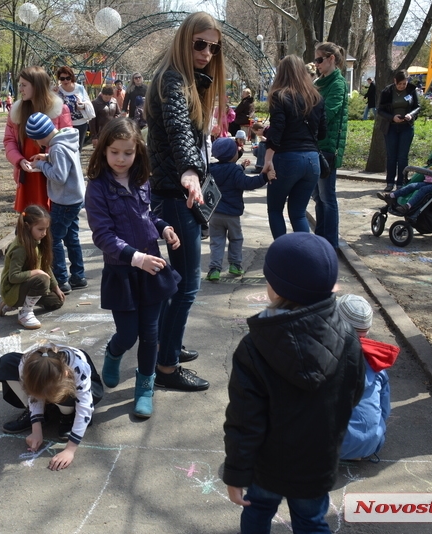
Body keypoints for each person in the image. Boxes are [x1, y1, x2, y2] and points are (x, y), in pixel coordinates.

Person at [222, 233, 365, 534]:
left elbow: (245, 420)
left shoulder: (254, 346)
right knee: (311, 522)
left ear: (274, 288)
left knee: (257, 511)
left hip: (267, 467)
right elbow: (353, 393)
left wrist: (236, 473)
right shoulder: (349, 337)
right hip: (318, 461)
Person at [146, 11, 226, 392]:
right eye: (200, 44)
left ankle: (168, 345)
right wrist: (191, 171)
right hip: (178, 196)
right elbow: (179, 130)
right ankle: (167, 367)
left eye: (213, 46)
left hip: (175, 194)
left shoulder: (189, 79)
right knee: (187, 285)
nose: (207, 52)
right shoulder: (173, 79)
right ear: (184, 41)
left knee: (178, 283)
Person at [85, 118, 182, 417]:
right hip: (123, 272)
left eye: (127, 153)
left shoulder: (141, 180)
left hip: (151, 269)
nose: (121, 159)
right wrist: (136, 257)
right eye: (114, 152)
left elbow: (147, 216)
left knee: (150, 334)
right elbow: (103, 235)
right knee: (128, 333)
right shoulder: (98, 188)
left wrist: (164, 228)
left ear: (138, 152)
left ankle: (145, 387)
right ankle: (114, 354)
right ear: (103, 151)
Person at [0, 341, 104, 470]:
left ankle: (67, 414)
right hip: (48, 376)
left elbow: (85, 407)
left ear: (65, 375)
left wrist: (70, 450)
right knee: (7, 362)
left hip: (81, 385)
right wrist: (36, 430)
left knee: (61, 392)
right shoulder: (26, 366)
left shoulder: (77, 367)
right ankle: (40, 414)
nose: (44, 399)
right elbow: (33, 395)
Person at [263, 54, 326, 239]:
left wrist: (268, 160)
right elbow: (322, 132)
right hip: (312, 161)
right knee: (298, 213)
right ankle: (303, 255)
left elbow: (277, 131)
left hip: (287, 159)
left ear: (281, 73)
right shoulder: (316, 98)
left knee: (275, 210)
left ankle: (282, 254)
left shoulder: (279, 96)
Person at [23, 112, 87, 295]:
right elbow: (64, 164)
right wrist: (46, 157)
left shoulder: (57, 148)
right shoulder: (66, 139)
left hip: (64, 201)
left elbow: (59, 176)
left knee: (53, 239)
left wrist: (42, 166)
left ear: (41, 136)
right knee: (71, 238)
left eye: (37, 140)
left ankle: (61, 279)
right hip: (74, 198)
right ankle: (78, 276)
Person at [336, 294, 399, 461]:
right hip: (370, 443)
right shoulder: (376, 364)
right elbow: (384, 410)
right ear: (368, 329)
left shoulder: (322, 354)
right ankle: (354, 449)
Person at [3, 66, 72, 213]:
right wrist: (19, 161)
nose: (20, 89)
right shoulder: (16, 111)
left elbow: (68, 144)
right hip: (27, 174)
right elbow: (9, 141)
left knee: (51, 224)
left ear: (37, 86)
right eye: (19, 85)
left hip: (50, 173)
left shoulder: (60, 110)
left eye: (24, 85)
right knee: (28, 222)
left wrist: (47, 158)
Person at [206, 137, 266, 281]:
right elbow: (247, 183)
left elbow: (225, 174)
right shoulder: (235, 170)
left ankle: (214, 268)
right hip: (232, 214)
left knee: (216, 240)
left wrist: (241, 168)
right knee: (235, 239)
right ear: (233, 154)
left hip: (215, 213)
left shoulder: (211, 169)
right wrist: (264, 177)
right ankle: (235, 264)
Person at [0, 204, 65, 329]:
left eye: (46, 229)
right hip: (12, 288)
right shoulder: (20, 248)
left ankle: (13, 304)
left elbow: (45, 266)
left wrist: (56, 287)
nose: (44, 233)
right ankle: (25, 313)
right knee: (42, 279)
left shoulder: (37, 242)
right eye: (40, 229)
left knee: (56, 302)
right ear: (28, 227)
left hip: (25, 285)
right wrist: (37, 272)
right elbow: (13, 277)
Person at [313, 42, 349, 248]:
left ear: (331, 59)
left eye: (319, 60)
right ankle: (320, 239)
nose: (317, 64)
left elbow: (328, 112)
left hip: (327, 147)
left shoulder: (338, 84)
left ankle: (331, 243)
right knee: (318, 197)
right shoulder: (320, 82)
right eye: (315, 60)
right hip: (316, 144)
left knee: (327, 197)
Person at [378, 138, 432, 214]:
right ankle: (391, 196)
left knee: (422, 190)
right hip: (428, 182)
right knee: (411, 185)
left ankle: (408, 206)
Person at [377, 70, 421, 192]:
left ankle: (401, 182)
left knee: (403, 157)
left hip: (406, 126)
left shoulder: (411, 90)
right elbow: (380, 110)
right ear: (395, 81)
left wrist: (410, 115)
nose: (402, 86)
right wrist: (392, 118)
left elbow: (417, 106)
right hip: (391, 126)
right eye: (399, 84)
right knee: (392, 156)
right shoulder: (387, 91)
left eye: (404, 84)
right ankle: (390, 182)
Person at [56, 66, 92, 149]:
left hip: (80, 123)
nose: (65, 81)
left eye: (68, 78)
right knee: (67, 149)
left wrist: (82, 106)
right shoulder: (57, 90)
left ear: (71, 77)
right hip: (64, 125)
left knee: (78, 149)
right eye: (62, 78)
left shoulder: (79, 88)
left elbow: (88, 102)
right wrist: (54, 94)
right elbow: (53, 107)